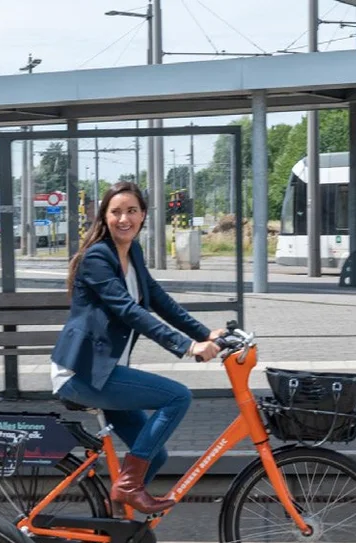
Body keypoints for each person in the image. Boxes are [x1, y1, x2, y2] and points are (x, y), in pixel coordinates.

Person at [50, 181, 225, 515]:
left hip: (105, 373)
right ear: (104, 216)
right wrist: (187, 347)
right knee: (177, 396)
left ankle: (110, 523)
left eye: (131, 211)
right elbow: (130, 311)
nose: (124, 218)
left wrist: (206, 334)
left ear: (143, 215)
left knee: (154, 454)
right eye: (116, 212)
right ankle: (128, 487)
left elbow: (158, 299)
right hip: (81, 373)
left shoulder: (133, 253)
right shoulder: (97, 258)